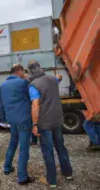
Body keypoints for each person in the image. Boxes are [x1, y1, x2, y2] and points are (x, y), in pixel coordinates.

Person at [27, 60, 73, 188]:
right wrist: (58, 76)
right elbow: (59, 77)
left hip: (44, 123)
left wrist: (34, 125)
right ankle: (68, 173)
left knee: (48, 151)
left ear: (30, 72)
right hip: (57, 120)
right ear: (40, 67)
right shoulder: (52, 79)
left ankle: (51, 180)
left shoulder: (33, 85)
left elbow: (35, 106)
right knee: (61, 147)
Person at [0, 64, 35, 185]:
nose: (24, 73)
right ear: (19, 71)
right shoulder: (23, 83)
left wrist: (4, 119)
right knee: (24, 148)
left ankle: (7, 167)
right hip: (23, 120)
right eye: (23, 71)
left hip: (11, 120)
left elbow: (0, 105)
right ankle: (22, 177)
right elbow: (33, 97)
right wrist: (26, 78)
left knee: (13, 142)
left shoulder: (2, 86)